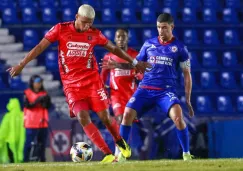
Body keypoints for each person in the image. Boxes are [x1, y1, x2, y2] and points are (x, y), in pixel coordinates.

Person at [7, 4, 149, 163]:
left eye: (90, 23)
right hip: (72, 86)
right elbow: (40, 47)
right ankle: (108, 154)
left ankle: (119, 140)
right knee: (82, 117)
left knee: (105, 118)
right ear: (76, 17)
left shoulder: (94, 34)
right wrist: (22, 64)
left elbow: (114, 48)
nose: (87, 26)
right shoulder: (60, 29)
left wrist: (135, 62)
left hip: (93, 82)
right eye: (84, 22)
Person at [102, 13, 194, 161]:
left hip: (165, 91)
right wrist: (124, 66)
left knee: (178, 118)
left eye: (164, 28)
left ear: (172, 27)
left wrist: (188, 100)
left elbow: (187, 75)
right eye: (158, 28)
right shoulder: (149, 44)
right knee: (126, 115)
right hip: (145, 89)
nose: (161, 31)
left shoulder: (180, 48)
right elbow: (136, 65)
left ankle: (186, 154)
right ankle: (122, 155)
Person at [100, 28, 142, 156]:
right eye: (118, 37)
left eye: (123, 36)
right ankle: (119, 152)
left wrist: (139, 76)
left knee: (128, 122)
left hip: (132, 95)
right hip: (116, 95)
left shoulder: (134, 55)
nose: (121, 39)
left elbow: (141, 73)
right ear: (115, 38)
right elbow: (102, 77)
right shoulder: (109, 57)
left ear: (127, 38)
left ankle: (135, 149)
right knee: (120, 119)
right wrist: (102, 89)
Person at [23, 75, 51, 162]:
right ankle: (25, 160)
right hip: (31, 122)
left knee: (42, 144)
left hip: (43, 122)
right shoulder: (27, 93)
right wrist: (37, 100)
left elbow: (48, 106)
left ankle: (42, 160)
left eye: (40, 82)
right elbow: (27, 105)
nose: (39, 84)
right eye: (37, 82)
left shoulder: (44, 93)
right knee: (28, 143)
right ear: (32, 83)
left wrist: (46, 101)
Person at [0, 98, 25, 163]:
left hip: (10, 142)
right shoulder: (23, 115)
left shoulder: (8, 116)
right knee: (19, 157)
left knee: (12, 159)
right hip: (21, 142)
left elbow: (3, 131)